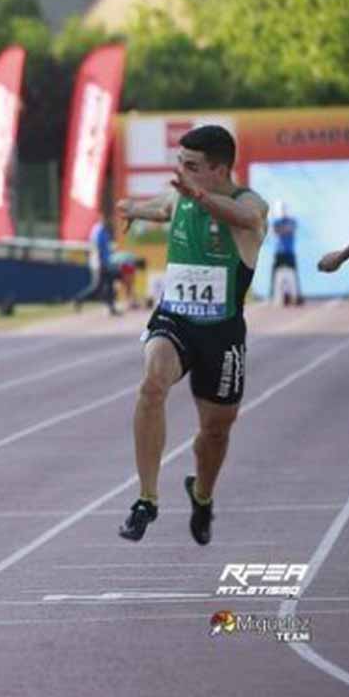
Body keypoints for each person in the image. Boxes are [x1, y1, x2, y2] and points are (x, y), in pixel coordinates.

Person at [114, 125, 267, 546]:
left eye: (191, 166)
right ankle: (146, 499)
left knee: (216, 430)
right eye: (179, 162)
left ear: (218, 169)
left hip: (222, 332)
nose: (180, 172)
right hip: (175, 319)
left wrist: (199, 197)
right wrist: (131, 209)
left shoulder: (248, 202)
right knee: (151, 384)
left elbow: (249, 218)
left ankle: (202, 495)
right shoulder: (181, 195)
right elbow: (163, 207)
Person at [73, 215, 118, 315]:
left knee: (109, 283)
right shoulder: (100, 230)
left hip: (104, 262)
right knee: (97, 287)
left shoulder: (101, 230)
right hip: (100, 263)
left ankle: (111, 307)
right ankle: (79, 299)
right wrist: (102, 263)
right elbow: (99, 248)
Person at [270, 202, 302, 306]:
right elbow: (276, 231)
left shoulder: (292, 221)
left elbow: (290, 229)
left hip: (289, 252)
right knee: (275, 275)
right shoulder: (276, 221)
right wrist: (283, 229)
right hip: (279, 252)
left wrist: (283, 229)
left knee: (294, 275)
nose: (283, 211)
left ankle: (296, 296)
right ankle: (274, 296)